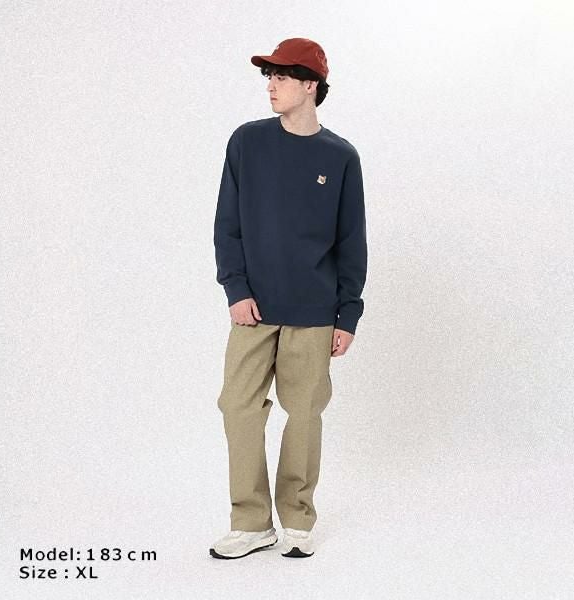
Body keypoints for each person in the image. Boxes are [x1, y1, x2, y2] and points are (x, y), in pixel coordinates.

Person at [209, 37, 367, 559]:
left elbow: (351, 241)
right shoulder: (247, 142)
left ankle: (297, 518)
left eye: (281, 76)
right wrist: (235, 288)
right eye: (268, 76)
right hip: (253, 309)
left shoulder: (340, 157)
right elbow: (227, 224)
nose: (271, 85)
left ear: (311, 86)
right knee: (238, 406)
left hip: (315, 312)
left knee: (304, 414)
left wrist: (348, 313)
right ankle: (251, 522)